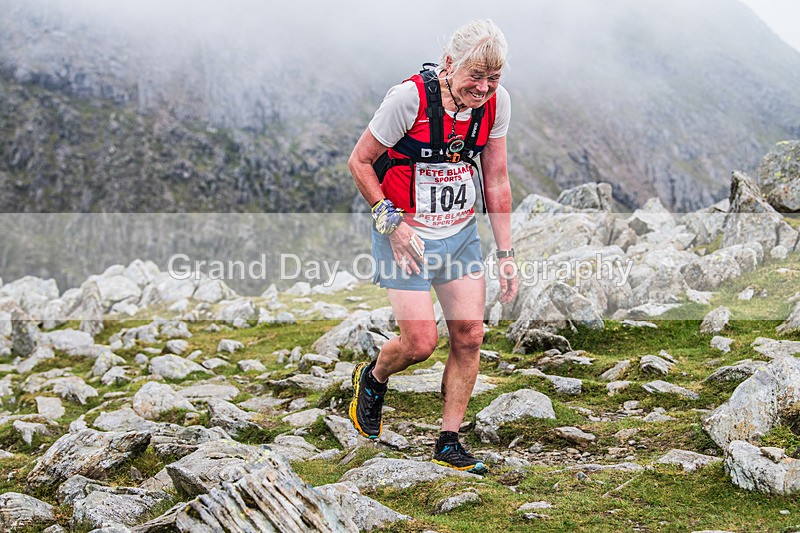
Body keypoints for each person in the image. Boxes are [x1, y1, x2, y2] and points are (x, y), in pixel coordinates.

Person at [347, 19, 518, 475]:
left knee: (470, 335)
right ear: (449, 65)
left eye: (493, 78)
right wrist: (394, 225)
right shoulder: (408, 99)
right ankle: (375, 376)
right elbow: (359, 161)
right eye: (475, 76)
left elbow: (496, 179)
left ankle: (449, 441)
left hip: (459, 234)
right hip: (405, 236)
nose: (483, 88)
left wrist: (505, 254)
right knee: (421, 342)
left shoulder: (496, 104)